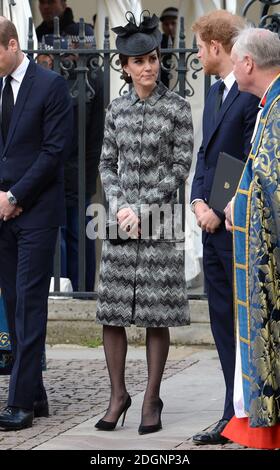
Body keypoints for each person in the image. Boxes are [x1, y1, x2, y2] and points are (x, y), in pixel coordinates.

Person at [95, 11, 193, 434]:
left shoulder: (177, 108)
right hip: (119, 223)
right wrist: (119, 205)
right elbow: (106, 163)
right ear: (125, 67)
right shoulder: (115, 109)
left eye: (153, 58)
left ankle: (151, 398)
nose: (148, 67)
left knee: (157, 314)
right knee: (112, 313)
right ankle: (118, 394)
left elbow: (180, 167)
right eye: (139, 62)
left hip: (160, 224)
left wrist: (142, 206)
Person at [190, 10, 259, 445]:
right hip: (210, 225)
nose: (197, 54)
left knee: (243, 323)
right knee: (220, 322)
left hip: (236, 224)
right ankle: (229, 411)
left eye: (199, 46)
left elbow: (246, 160)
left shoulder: (251, 96)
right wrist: (198, 201)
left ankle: (249, 411)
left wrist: (218, 208)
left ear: (217, 46)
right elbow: (206, 154)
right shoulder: (215, 92)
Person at [0, 17, 72, 430]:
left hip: (36, 214)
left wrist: (15, 196)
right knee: (12, 305)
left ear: (12, 45)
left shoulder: (50, 85)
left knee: (29, 305)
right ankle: (38, 393)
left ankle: (20, 403)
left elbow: (53, 152)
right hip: (3, 216)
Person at [222, 27, 280, 449]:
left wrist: (237, 203)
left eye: (233, 57)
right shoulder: (264, 103)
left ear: (248, 63)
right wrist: (229, 201)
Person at [159, 7, 178, 87]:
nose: (170, 27)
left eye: (173, 23)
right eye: (166, 24)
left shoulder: (188, 40)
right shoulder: (158, 41)